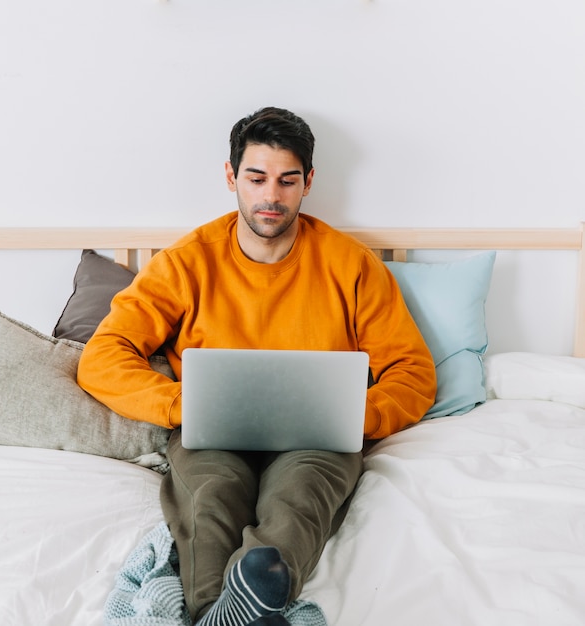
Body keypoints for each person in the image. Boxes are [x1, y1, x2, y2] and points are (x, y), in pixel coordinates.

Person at [78, 106, 437, 626]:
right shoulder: (187, 261)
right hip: (212, 432)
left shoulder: (352, 264)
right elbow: (104, 356)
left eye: (288, 181)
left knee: (299, 499)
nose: (271, 196)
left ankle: (226, 612)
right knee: (211, 498)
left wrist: (354, 417)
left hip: (315, 438)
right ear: (231, 177)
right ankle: (226, 612)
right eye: (257, 178)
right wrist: (184, 405)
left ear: (308, 182)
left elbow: (412, 371)